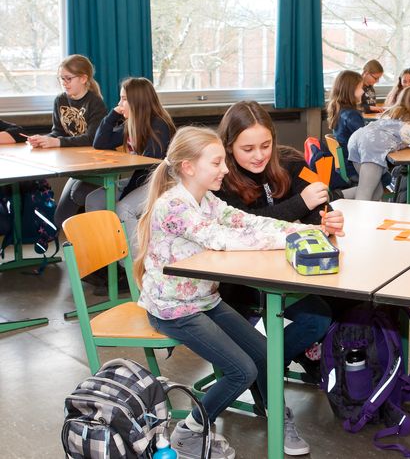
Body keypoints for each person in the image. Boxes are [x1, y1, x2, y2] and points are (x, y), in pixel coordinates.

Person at [135, 126, 338, 458]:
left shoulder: (205, 199)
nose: (225, 170)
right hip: (174, 310)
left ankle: (277, 416)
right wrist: (294, 238)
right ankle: (190, 432)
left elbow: (248, 223)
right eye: (216, 163)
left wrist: (308, 230)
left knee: (265, 355)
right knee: (242, 370)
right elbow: (224, 239)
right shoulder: (174, 206)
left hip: (203, 300)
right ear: (188, 167)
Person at [215, 101, 338, 398]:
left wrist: (327, 218)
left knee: (328, 312)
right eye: (248, 149)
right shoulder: (220, 180)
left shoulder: (290, 162)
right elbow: (245, 225)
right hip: (240, 282)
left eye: (265, 145)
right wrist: (300, 205)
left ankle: (269, 365)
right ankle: (264, 369)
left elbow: (320, 204)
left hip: (289, 271)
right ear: (229, 146)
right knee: (316, 318)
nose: (259, 155)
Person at [86, 77, 176, 260]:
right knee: (94, 200)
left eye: (124, 99)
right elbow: (100, 143)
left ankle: (136, 264)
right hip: (140, 180)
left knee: (124, 208)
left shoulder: (159, 125)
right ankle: (104, 258)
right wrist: (112, 115)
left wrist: (126, 191)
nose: (120, 104)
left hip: (162, 182)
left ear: (138, 102)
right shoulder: (131, 124)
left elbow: (150, 165)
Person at [27, 54, 106, 228]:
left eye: (68, 78)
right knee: (60, 220)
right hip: (76, 167)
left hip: (96, 168)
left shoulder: (95, 103)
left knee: (79, 195)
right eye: (61, 79)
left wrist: (57, 142)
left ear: (83, 78)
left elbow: (92, 138)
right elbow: (58, 132)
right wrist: (44, 139)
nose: (64, 83)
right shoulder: (60, 100)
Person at [327, 70, 366, 182]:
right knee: (386, 176)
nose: (363, 91)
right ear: (350, 90)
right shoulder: (351, 115)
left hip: (343, 166)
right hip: (353, 169)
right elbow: (367, 140)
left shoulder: (339, 110)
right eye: (360, 88)